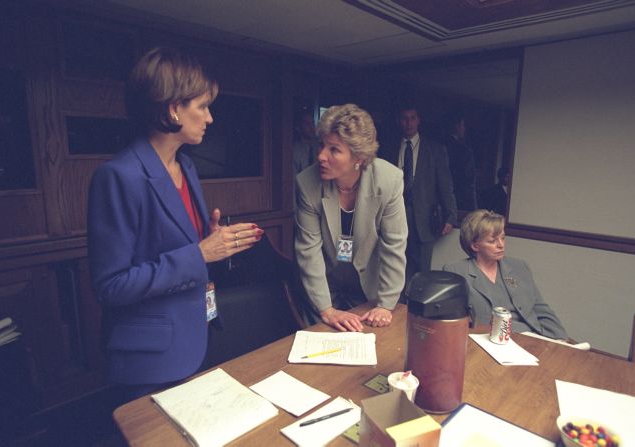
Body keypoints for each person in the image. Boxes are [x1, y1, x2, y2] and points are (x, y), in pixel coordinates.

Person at [88, 47, 263, 399]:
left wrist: (210, 239)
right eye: (202, 106)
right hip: (150, 361)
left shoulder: (186, 166)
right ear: (172, 109)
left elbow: (181, 247)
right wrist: (199, 254)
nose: (210, 118)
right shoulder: (118, 176)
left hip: (194, 337)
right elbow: (110, 286)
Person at [295, 104, 407, 332]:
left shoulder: (389, 180)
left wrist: (385, 305)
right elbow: (309, 252)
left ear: (359, 157)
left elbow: (394, 246)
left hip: (369, 290)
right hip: (324, 287)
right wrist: (326, 309)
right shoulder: (307, 183)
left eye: (334, 149)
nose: (321, 156)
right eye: (322, 145)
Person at [443, 209, 567, 339]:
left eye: (502, 238)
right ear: (475, 246)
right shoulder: (456, 272)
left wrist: (560, 339)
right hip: (489, 340)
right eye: (492, 241)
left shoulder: (519, 267)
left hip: (531, 337)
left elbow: (540, 307)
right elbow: (454, 325)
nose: (501, 245)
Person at [381, 105, 457, 280]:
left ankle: (415, 305)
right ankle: (394, 304)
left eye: (412, 118)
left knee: (421, 270)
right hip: (393, 213)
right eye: (404, 118)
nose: (408, 123)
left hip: (423, 218)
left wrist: (451, 215)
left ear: (419, 120)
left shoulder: (435, 149)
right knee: (393, 265)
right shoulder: (389, 148)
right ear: (398, 121)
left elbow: (445, 184)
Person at [443, 110, 477, 210]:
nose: (464, 129)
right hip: (459, 201)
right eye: (463, 125)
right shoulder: (464, 151)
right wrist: (473, 208)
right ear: (457, 126)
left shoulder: (435, 147)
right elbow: (468, 182)